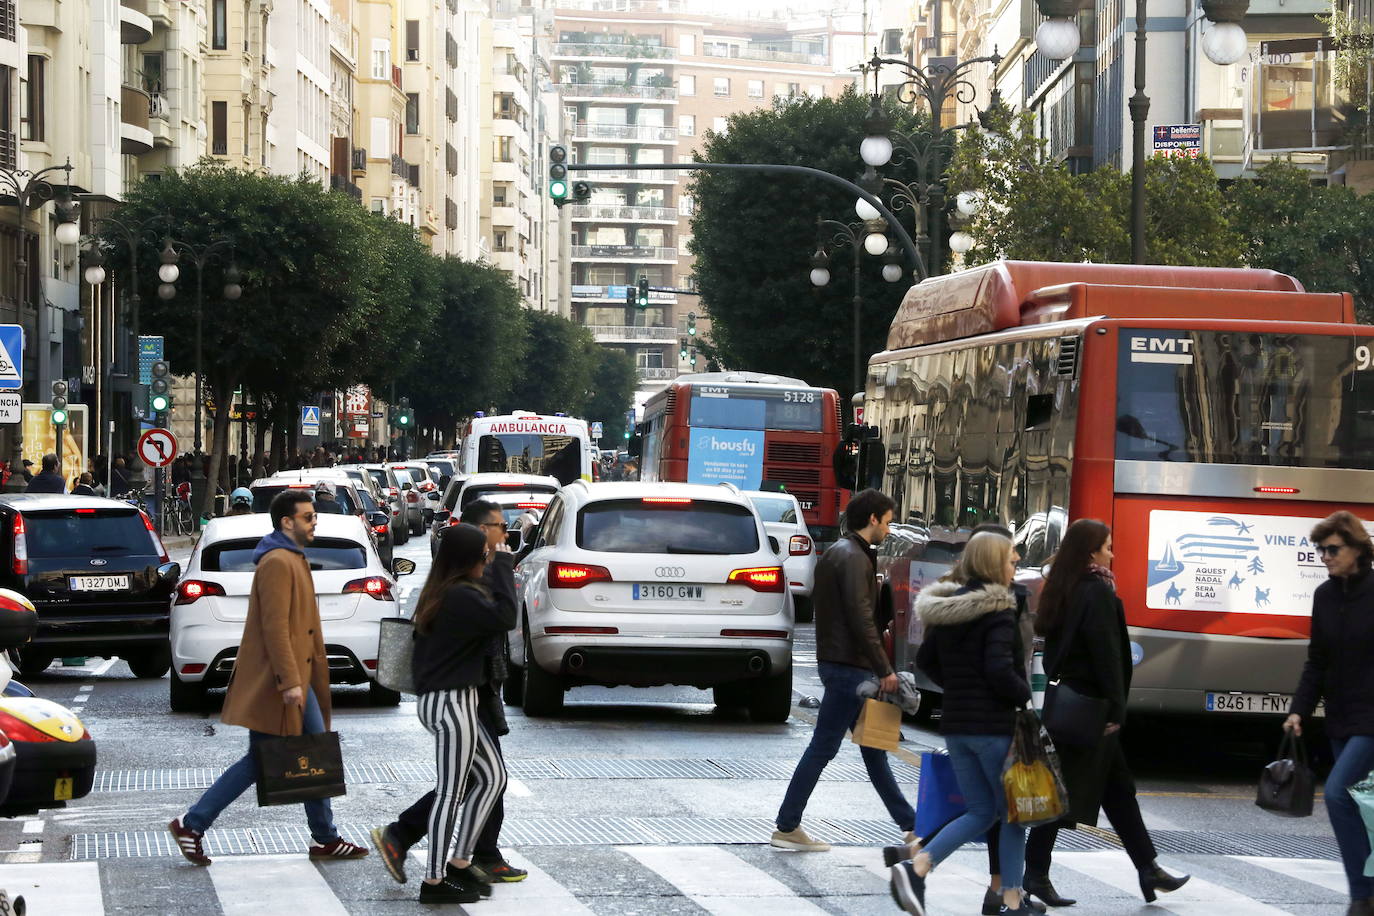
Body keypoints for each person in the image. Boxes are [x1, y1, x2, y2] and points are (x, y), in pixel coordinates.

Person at [168, 490, 369, 865]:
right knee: (278, 755)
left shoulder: (289, 557)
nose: (314, 522)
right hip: (282, 677)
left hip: (295, 672)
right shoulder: (278, 562)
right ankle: (193, 823)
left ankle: (324, 837)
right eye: (308, 517)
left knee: (308, 750)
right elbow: (274, 626)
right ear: (286, 523)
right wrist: (290, 680)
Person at [1020, 519, 1187, 908]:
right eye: (1108, 547)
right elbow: (1107, 654)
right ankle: (1035, 872)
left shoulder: (1065, 586)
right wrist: (1116, 707)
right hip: (1093, 708)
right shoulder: (1096, 590)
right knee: (1066, 793)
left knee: (1118, 790)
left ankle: (1148, 868)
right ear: (1092, 551)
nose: (1112, 553)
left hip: (1077, 702)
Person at [372, 500, 528, 889]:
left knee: (491, 778)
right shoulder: (460, 594)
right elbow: (505, 617)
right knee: (450, 791)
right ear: (468, 557)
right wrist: (505, 567)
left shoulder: (455, 590)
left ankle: (460, 860)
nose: (493, 550)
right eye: (484, 551)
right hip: (450, 700)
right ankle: (436, 880)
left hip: (460, 700)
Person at [893, 523, 1046, 916]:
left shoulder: (949, 607)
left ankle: (920, 868)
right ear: (995, 563)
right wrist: (1022, 694)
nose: (1016, 564)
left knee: (984, 812)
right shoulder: (998, 610)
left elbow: (926, 661)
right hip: (993, 726)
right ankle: (1009, 898)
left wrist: (959, 688)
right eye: (1011, 558)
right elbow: (999, 670)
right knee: (1011, 814)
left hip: (958, 724)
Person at [772, 489, 917, 852]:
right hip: (850, 670)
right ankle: (787, 826)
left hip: (847, 666)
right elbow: (861, 620)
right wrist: (885, 669)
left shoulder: (843, 552)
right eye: (886, 521)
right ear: (872, 519)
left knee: (874, 749)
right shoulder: (853, 557)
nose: (888, 528)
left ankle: (912, 827)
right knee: (824, 748)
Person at [1287, 510, 1374, 916]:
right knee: (1361, 805)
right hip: (1340, 716)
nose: (1325, 556)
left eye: (1333, 549)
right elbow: (1317, 660)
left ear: (1357, 549)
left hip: (1372, 718)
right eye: (1321, 550)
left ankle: (1362, 894)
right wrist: (1298, 710)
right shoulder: (1324, 596)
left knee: (1339, 793)